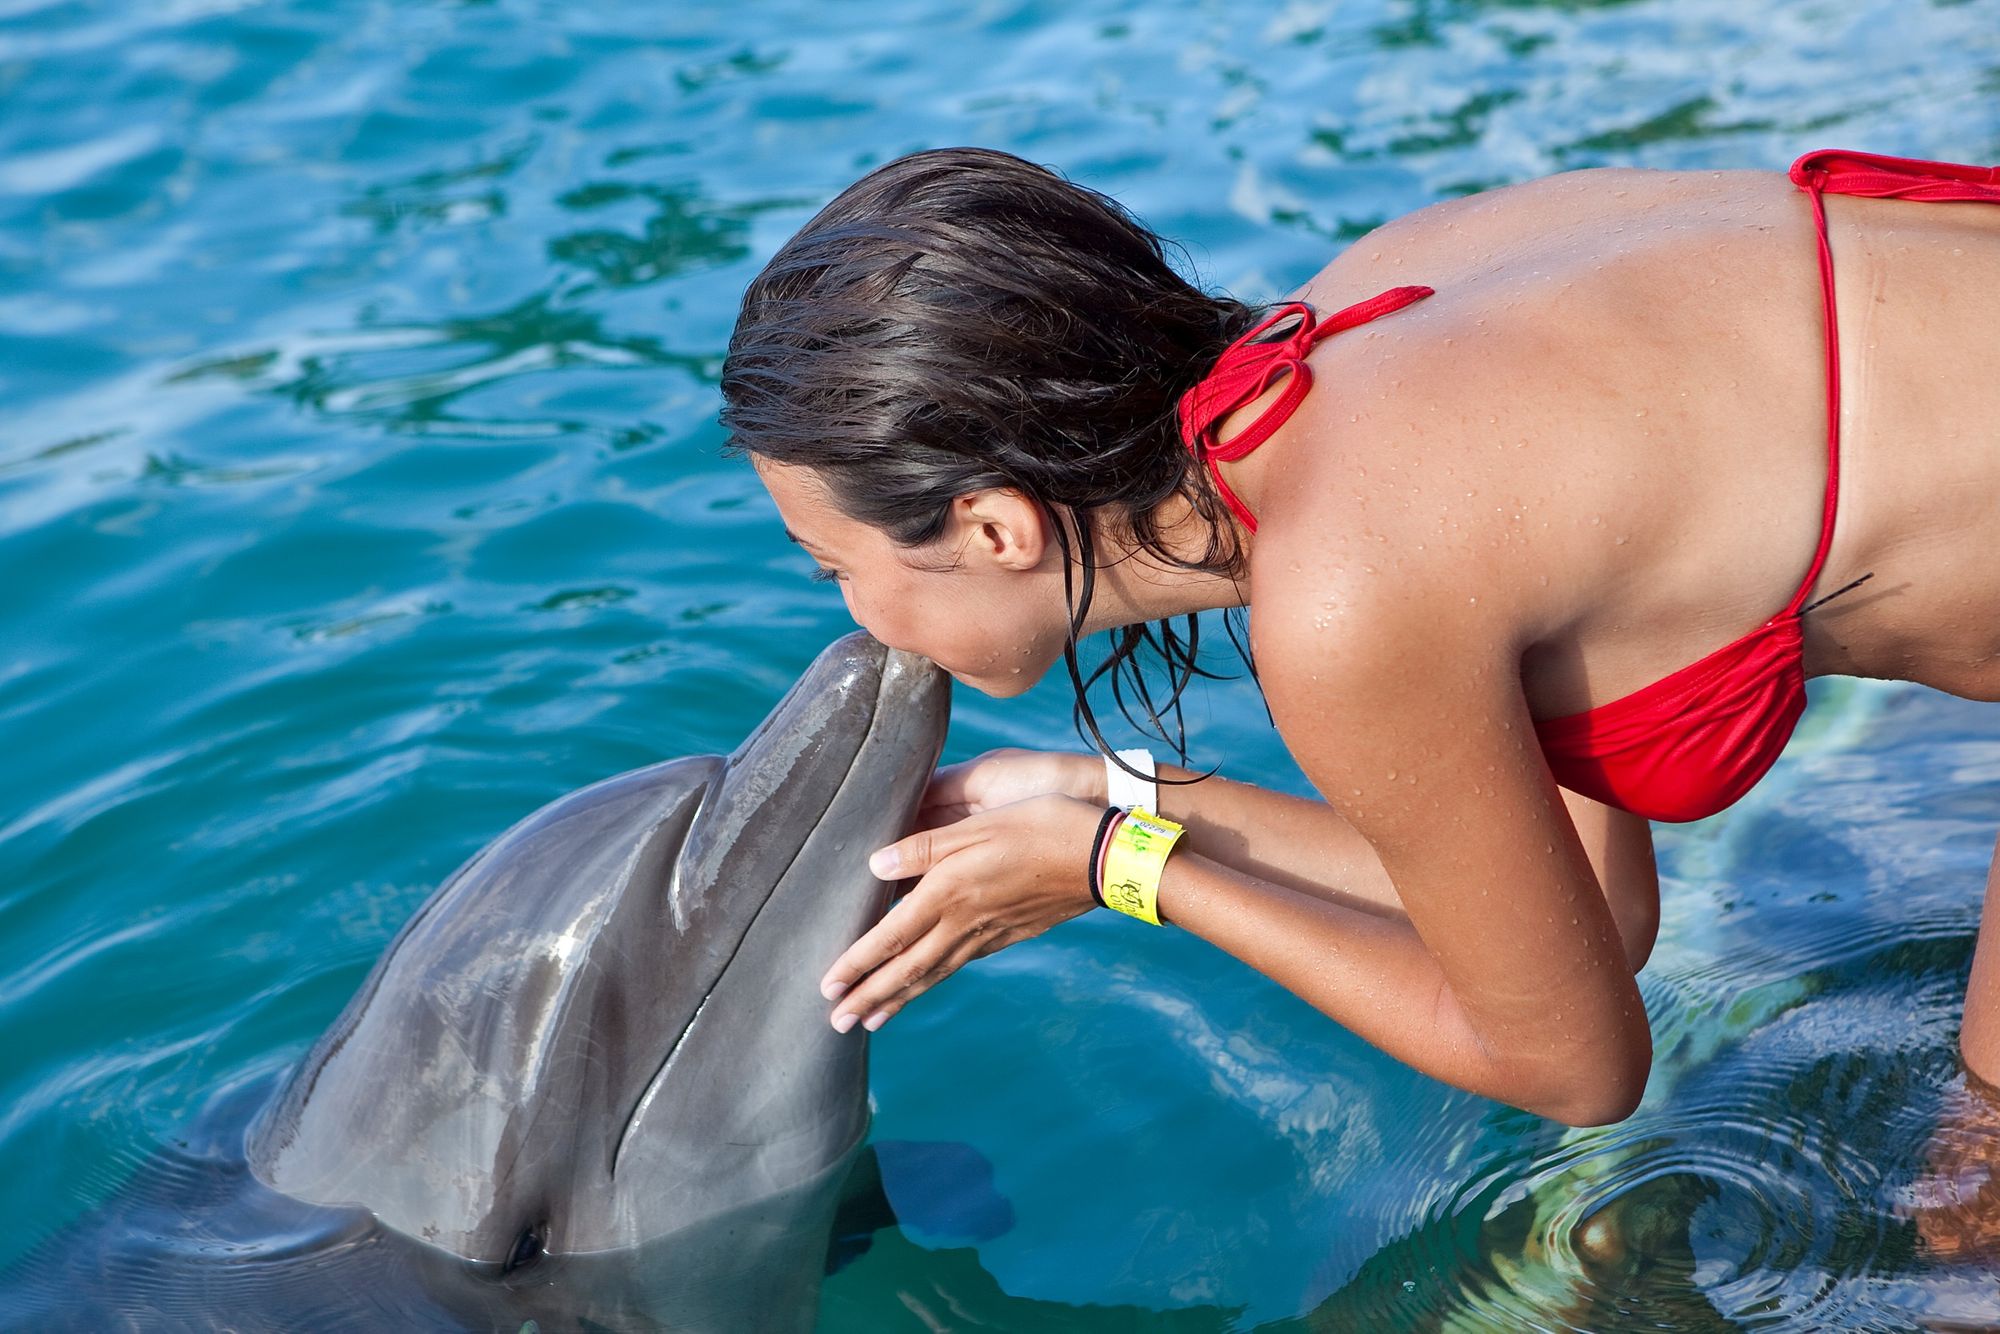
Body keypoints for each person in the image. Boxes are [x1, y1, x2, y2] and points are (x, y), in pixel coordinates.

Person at [720, 145, 2000, 1128]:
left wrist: (1120, 870)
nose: (851, 621)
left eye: (836, 565)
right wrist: (1091, 794)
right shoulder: (1352, 326)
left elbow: (1573, 1065)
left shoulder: (1346, 592)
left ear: (995, 528)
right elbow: (1582, 919)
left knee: (1969, 1201)